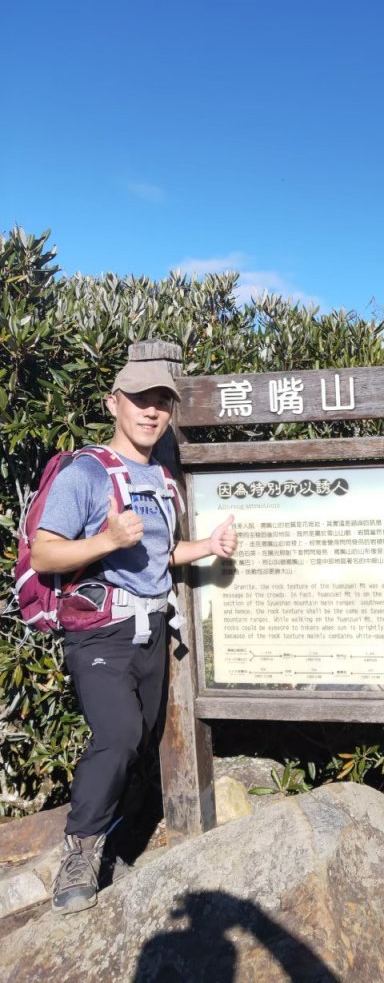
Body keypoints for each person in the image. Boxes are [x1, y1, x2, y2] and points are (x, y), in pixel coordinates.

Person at [31, 361, 238, 915]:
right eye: (140, 399)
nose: (152, 411)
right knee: (119, 734)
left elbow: (160, 558)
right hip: (101, 632)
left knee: (139, 739)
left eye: (162, 402)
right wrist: (103, 539)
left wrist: (208, 547)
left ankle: (111, 847)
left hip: (151, 629)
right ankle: (77, 855)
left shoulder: (162, 481)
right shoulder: (86, 473)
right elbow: (46, 551)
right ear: (113, 402)